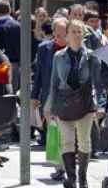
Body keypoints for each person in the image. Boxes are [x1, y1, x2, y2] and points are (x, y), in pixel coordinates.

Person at [49, 20, 105, 188]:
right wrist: (52, 108)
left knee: (84, 141)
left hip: (85, 104)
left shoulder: (92, 56)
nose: (76, 35)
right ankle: (71, 178)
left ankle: (83, 178)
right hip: (63, 105)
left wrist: (100, 105)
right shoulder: (58, 57)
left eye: (79, 31)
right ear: (67, 35)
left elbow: (98, 83)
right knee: (66, 142)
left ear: (84, 35)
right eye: (73, 31)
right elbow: (54, 83)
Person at [31, 18, 68, 180]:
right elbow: (38, 74)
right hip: (49, 98)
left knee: (67, 134)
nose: (59, 37)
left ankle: (67, 167)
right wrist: (34, 96)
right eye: (57, 34)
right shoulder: (44, 49)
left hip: (69, 98)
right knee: (54, 133)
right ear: (53, 32)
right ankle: (59, 167)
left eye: (63, 34)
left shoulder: (74, 49)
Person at [0, 0, 21, 92]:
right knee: (12, 93)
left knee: (0, 93)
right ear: (9, 9)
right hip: (14, 64)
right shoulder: (17, 26)